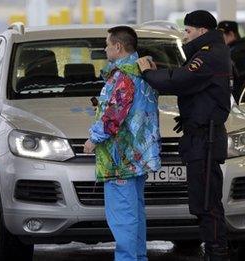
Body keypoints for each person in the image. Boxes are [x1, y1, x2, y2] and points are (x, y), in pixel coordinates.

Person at [137, 10, 231, 261]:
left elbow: (180, 79)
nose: (185, 35)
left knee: (207, 204)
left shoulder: (209, 55)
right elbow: (193, 84)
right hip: (200, 136)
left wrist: (148, 73)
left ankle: (217, 254)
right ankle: (215, 252)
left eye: (188, 31)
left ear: (202, 31)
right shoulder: (209, 53)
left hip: (206, 140)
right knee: (204, 201)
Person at [83, 26, 161, 261]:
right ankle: (137, 257)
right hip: (137, 156)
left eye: (107, 44)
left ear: (118, 47)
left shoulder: (124, 76)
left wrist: (94, 139)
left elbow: (114, 114)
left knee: (123, 217)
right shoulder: (144, 71)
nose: (105, 48)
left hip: (120, 159)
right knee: (135, 213)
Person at [217, 20, 245, 102]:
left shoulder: (236, 53)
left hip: (242, 101)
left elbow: (244, 82)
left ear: (231, 34)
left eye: (221, 36)